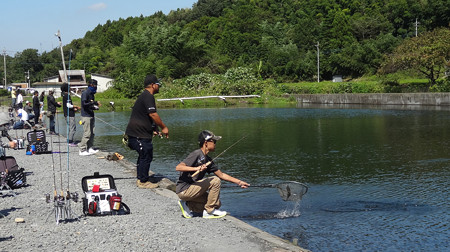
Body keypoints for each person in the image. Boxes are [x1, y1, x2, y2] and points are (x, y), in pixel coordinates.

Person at [175, 130, 249, 219]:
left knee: (217, 204)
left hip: (192, 191)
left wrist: (239, 182)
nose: (215, 144)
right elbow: (178, 167)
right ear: (206, 143)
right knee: (215, 180)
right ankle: (209, 211)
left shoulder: (208, 160)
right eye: (214, 141)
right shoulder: (197, 154)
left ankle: (186, 204)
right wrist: (196, 168)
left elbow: (221, 175)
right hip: (184, 190)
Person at [125, 74, 169, 189]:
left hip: (141, 133)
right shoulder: (148, 96)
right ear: (153, 85)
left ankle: (142, 177)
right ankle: (143, 181)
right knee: (145, 154)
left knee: (145, 155)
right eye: (158, 84)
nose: (159, 86)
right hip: (138, 134)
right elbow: (153, 114)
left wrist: (154, 129)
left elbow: (146, 116)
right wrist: (163, 127)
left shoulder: (145, 96)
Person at [79, 79, 101, 156]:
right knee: (87, 133)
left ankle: (90, 148)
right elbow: (84, 104)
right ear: (91, 85)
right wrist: (94, 103)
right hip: (85, 116)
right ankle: (82, 149)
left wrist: (95, 107)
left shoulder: (92, 94)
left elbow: (90, 105)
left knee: (92, 132)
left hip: (91, 115)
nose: (96, 87)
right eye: (95, 86)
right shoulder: (85, 93)